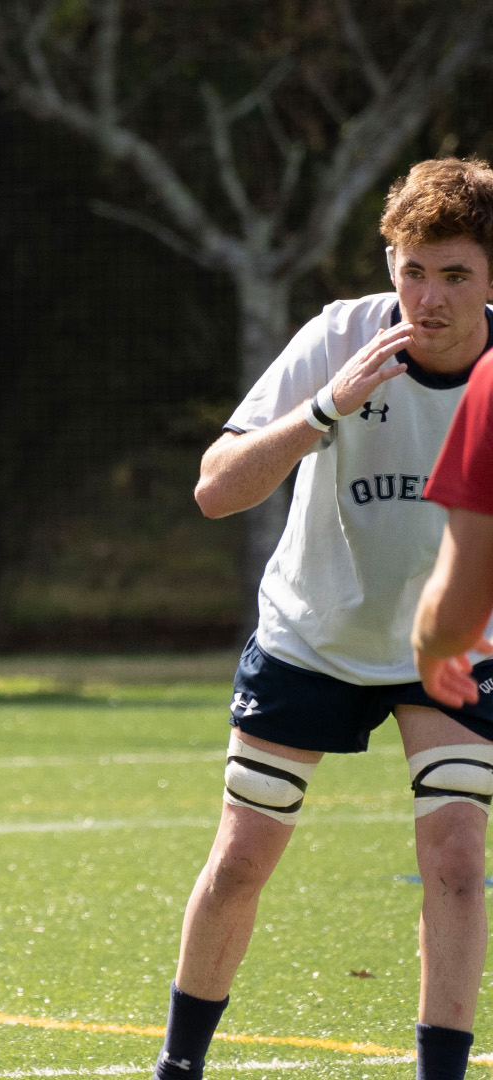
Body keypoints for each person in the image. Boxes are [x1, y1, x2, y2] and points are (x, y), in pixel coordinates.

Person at [157, 157, 493, 1080]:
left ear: (492, 278)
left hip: (452, 646)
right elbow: (215, 491)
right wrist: (324, 408)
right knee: (241, 860)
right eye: (412, 267)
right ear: (389, 261)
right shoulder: (338, 335)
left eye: (455, 273)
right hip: (314, 634)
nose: (427, 297)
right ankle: (178, 1068)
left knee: (460, 857)